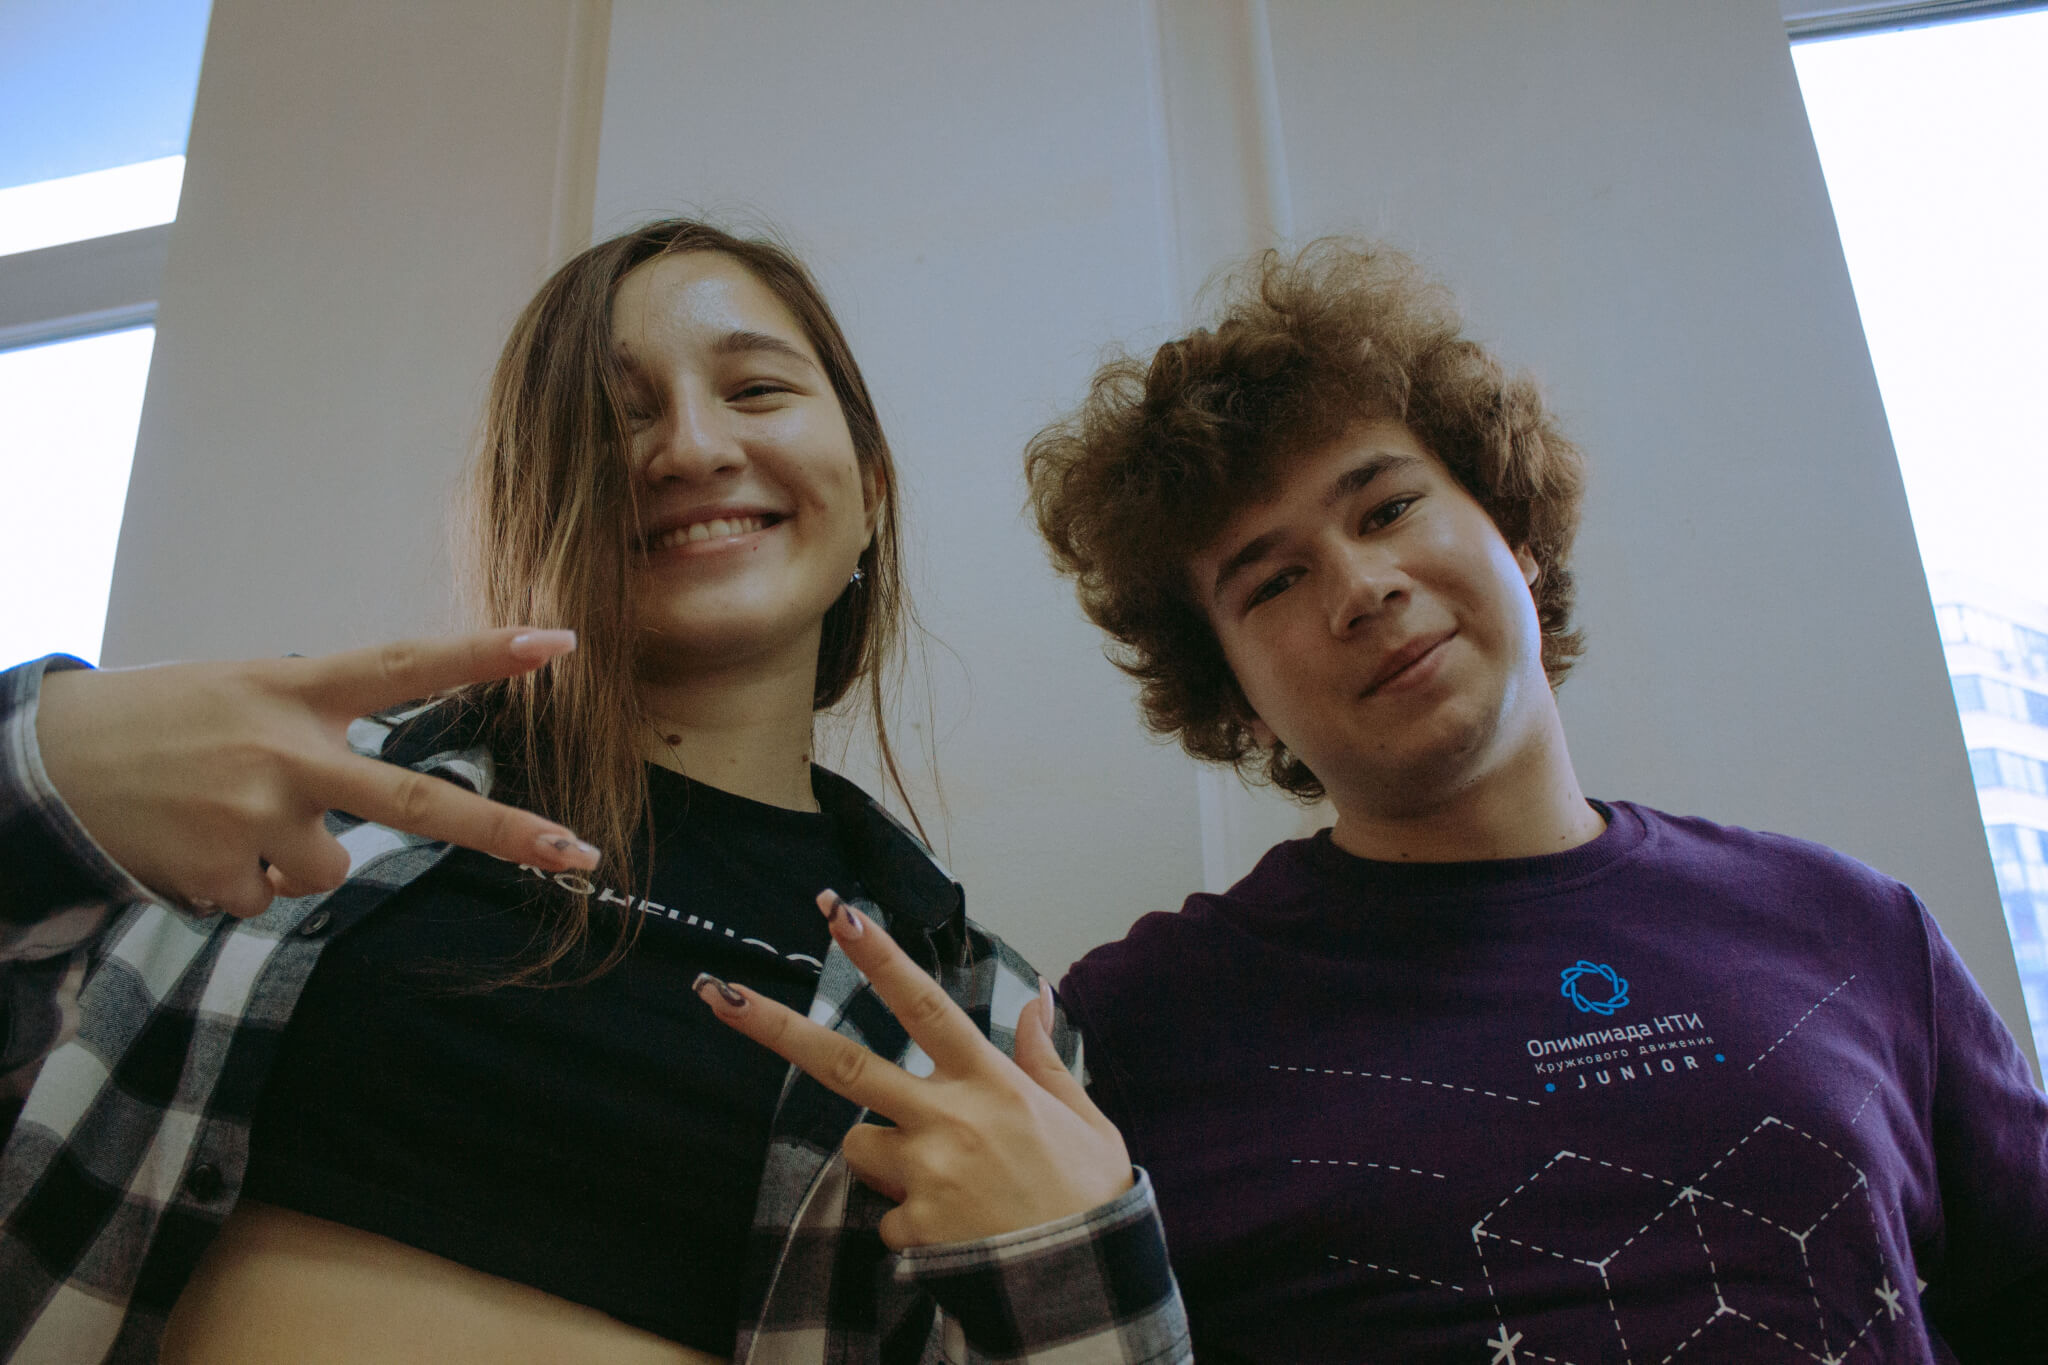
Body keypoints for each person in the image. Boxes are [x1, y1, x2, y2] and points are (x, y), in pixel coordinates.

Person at [720, 239, 2048, 1363]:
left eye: (1389, 507)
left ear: (1513, 533)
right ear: (1233, 696)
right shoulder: (1126, 1036)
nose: (1360, 588)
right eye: (1271, 582)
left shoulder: (1855, 929)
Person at [0, 219, 1185, 1364]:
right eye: (613, 417)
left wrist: (1073, 1272)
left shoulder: (988, 1022)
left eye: (755, 389)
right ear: (533, 498)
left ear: (869, 486)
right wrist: (31, 771)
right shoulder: (275, 803)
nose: (689, 449)